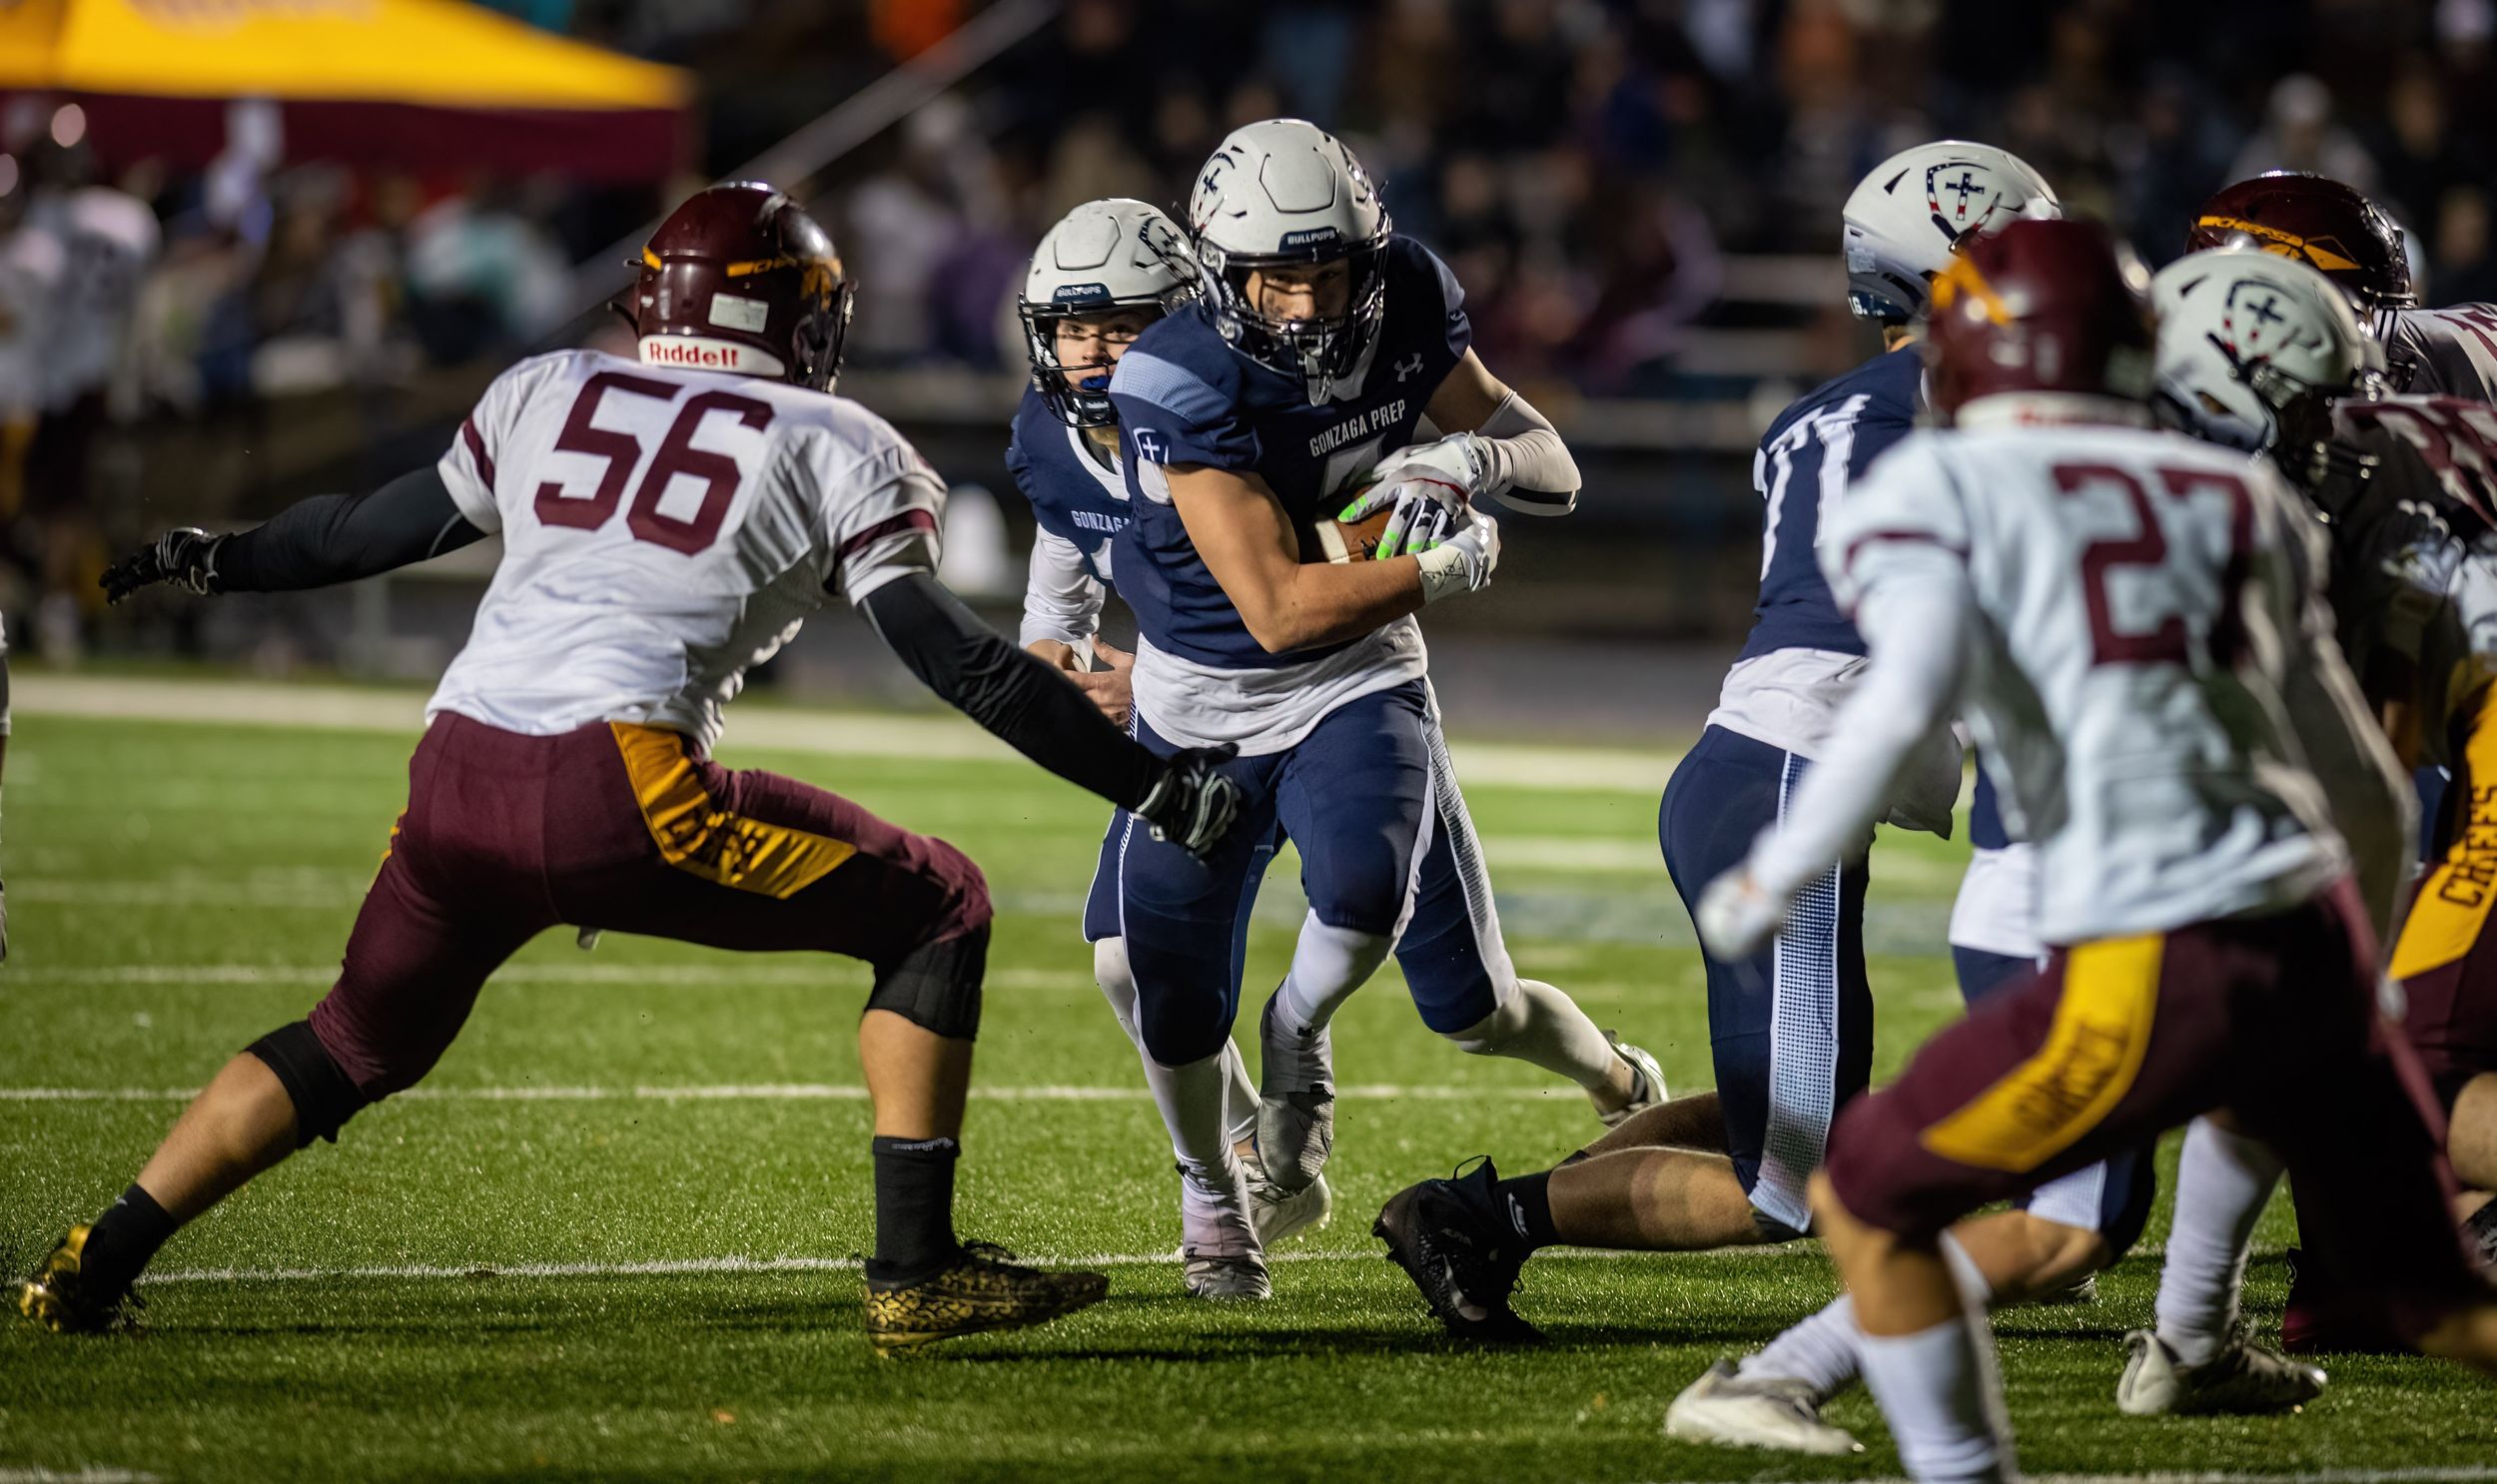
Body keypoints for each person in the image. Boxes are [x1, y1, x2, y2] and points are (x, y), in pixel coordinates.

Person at [14, 183, 1241, 1351]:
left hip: (456, 772)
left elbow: (356, 533)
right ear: (796, 319)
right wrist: (1154, 784)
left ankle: (100, 1253)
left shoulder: (547, 388)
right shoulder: (840, 439)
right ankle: (916, 1276)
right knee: (941, 904)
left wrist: (212, 558)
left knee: (350, 1038)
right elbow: (963, 665)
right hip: (620, 785)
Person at [1692, 218, 2497, 1483]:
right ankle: (2189, 1339)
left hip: (2149, 938)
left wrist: (1776, 868)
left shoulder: (1940, 483)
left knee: (1874, 1192)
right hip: (2310, 932)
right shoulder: (2247, 500)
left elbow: (1898, 709)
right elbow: (2365, 783)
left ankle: (1923, 1439)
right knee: (2440, 1302)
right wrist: (2367, 963)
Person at [1371, 142, 2067, 1347]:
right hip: (1785, 793)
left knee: (1810, 1126)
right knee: (1791, 1194)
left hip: (1755, 769)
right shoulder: (1982, 405)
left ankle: (1531, 1190)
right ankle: (1477, 1216)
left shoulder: (1816, 417)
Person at [1104, 119, 1660, 1300]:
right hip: (1206, 700)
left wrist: (1464, 466)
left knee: (1462, 996)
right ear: (1219, 271)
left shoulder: (1405, 293)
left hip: (1357, 674)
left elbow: (1549, 460)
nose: (1304, 305)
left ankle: (1590, 1075)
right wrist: (1438, 570)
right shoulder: (1176, 375)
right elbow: (1275, 611)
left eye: (1328, 271)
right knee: (1159, 984)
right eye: (1276, 276)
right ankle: (1214, 1190)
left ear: (1371, 255)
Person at [2123, 246, 2497, 1387]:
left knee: (2385, 1061)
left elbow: (2372, 778)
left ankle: (2196, 1331)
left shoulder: (2329, 496)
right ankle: (2215, 1326)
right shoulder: (2400, 425)